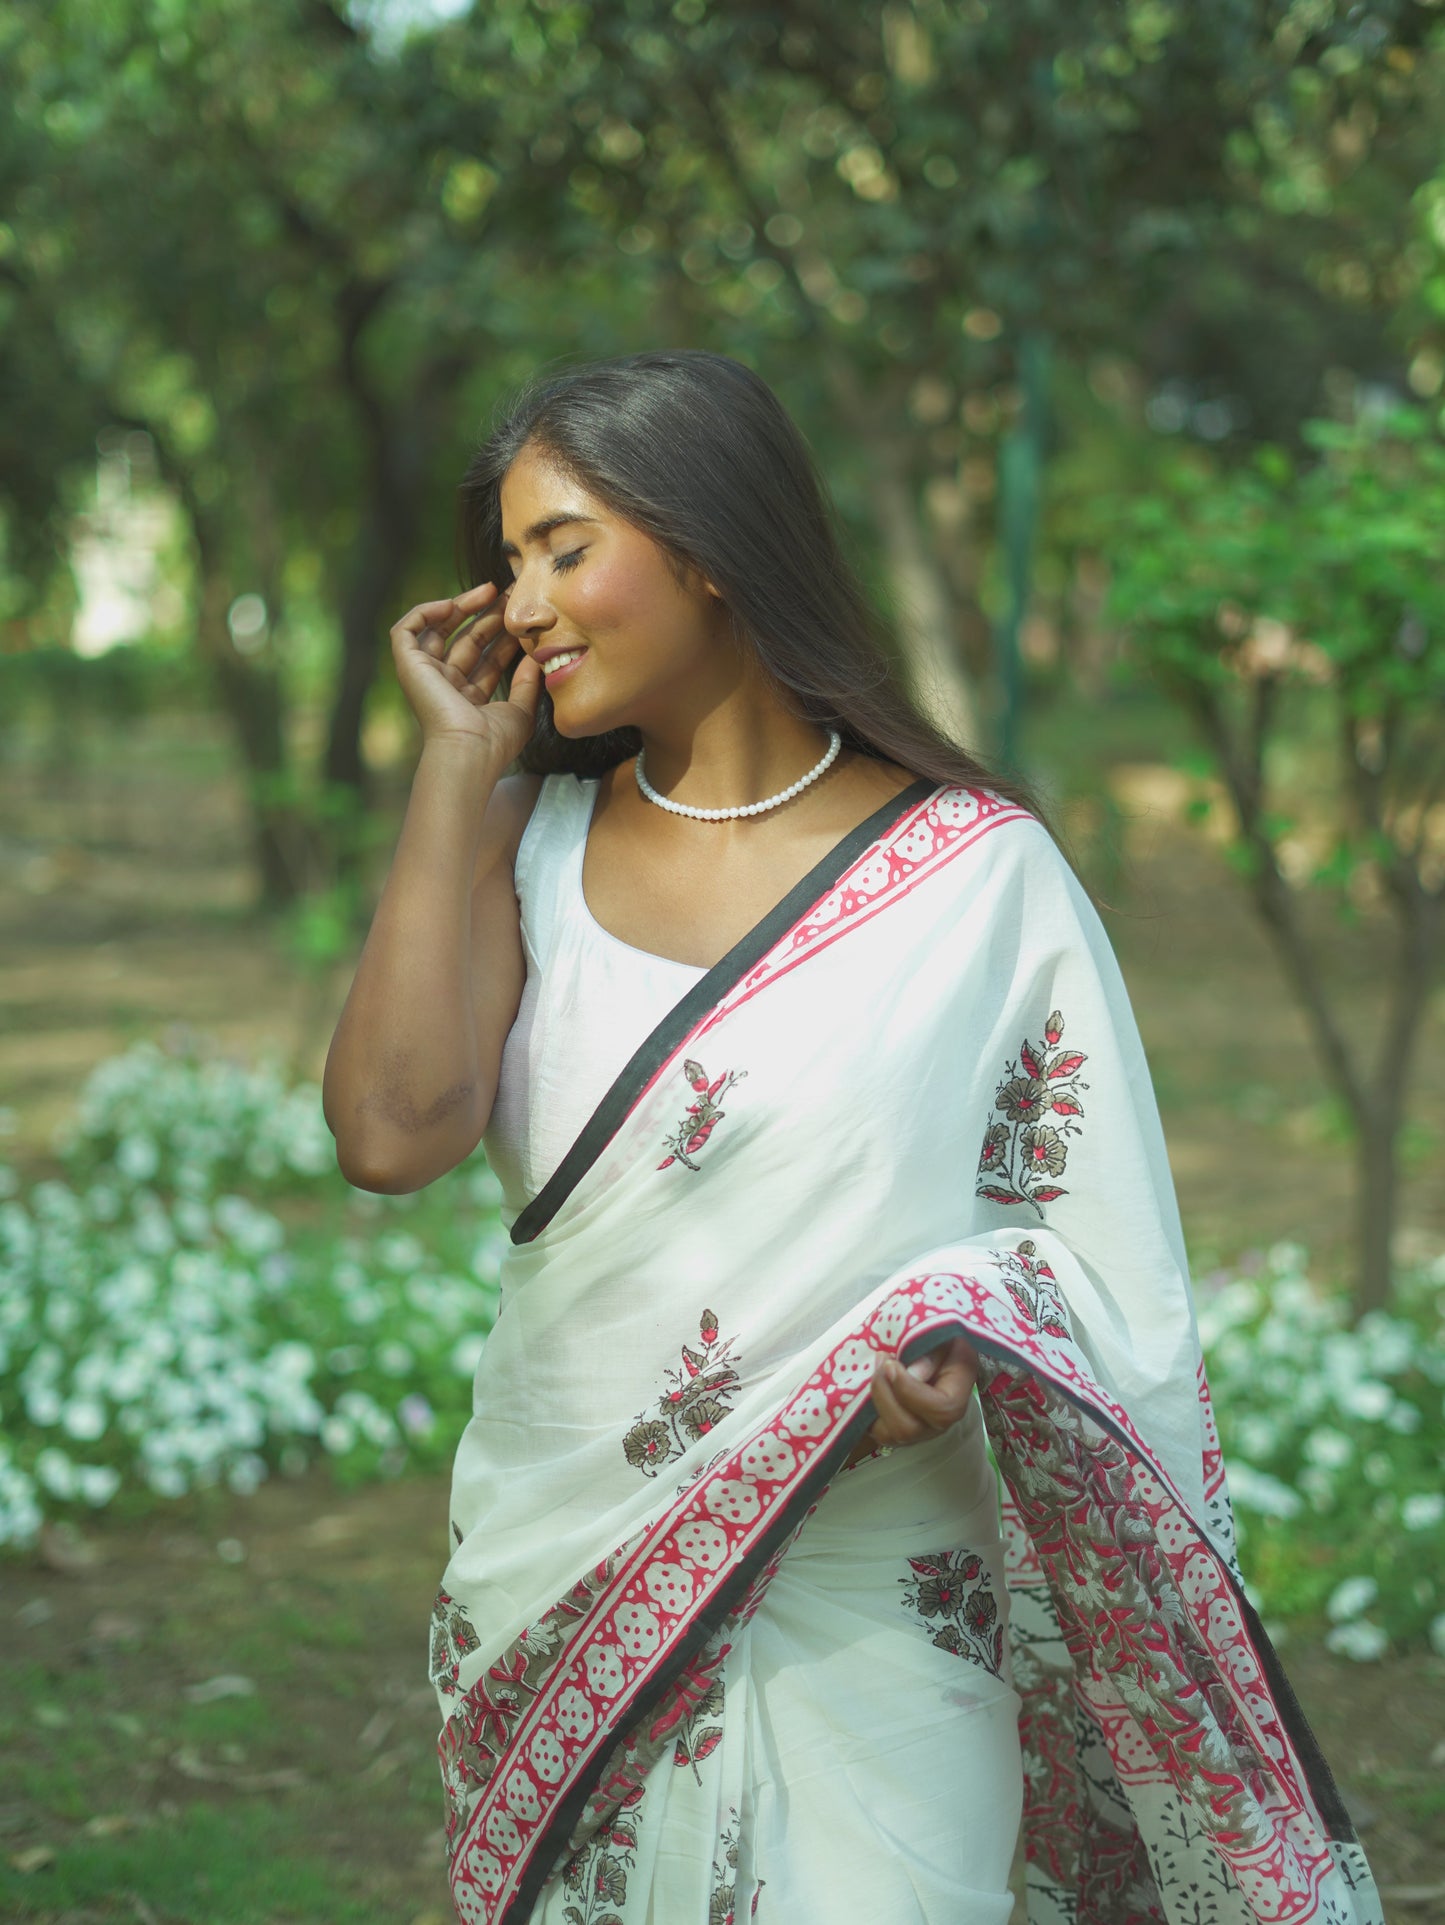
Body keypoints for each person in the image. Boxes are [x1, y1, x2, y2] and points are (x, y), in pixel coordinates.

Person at [322, 351, 1380, 1925]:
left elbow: (1096, 1264)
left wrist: (975, 1350)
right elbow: (393, 1132)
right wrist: (458, 766)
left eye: (565, 547)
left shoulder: (975, 880)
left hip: (878, 1573)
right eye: (509, 558)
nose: (522, 603)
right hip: (574, 1569)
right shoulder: (520, 843)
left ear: (707, 546)